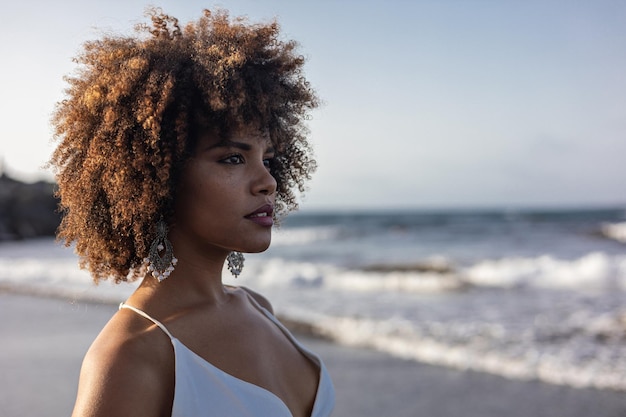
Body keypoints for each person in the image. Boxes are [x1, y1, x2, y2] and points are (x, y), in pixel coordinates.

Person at [49, 8, 334, 417]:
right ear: (158, 177)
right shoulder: (133, 356)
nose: (267, 181)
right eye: (233, 159)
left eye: (267, 158)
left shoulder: (258, 307)